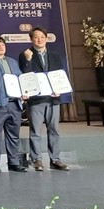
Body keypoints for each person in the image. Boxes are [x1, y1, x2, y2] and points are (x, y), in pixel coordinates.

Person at [18, 27, 69, 171]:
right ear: (31, 39)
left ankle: (55, 159)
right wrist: (28, 60)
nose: (39, 39)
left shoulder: (55, 56)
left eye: (42, 37)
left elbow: (60, 75)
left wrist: (59, 90)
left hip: (53, 99)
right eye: (36, 37)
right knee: (35, 131)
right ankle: (37, 159)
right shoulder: (25, 55)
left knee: (54, 130)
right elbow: (25, 75)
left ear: (46, 38)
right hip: (36, 100)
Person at [0, 36, 27, 173]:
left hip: (14, 103)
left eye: (2, 44)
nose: (1, 47)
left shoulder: (12, 61)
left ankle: (13, 162)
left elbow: (20, 78)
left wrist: (24, 92)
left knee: (13, 135)